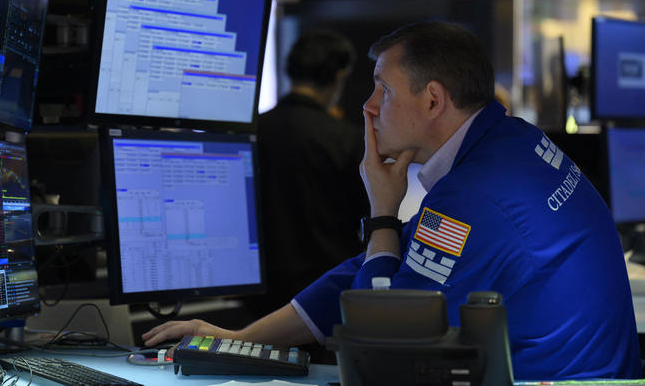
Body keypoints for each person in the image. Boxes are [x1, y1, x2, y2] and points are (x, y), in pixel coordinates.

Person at [142, 21, 641, 380]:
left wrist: (383, 209)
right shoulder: (509, 142)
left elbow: (380, 339)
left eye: (383, 89)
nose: (368, 106)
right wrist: (238, 338)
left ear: (432, 100)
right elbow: (379, 266)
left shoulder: (474, 194)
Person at [246, 29, 368, 319]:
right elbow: (366, 218)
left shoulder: (252, 131)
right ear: (339, 77)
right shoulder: (347, 139)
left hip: (258, 293)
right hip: (324, 292)